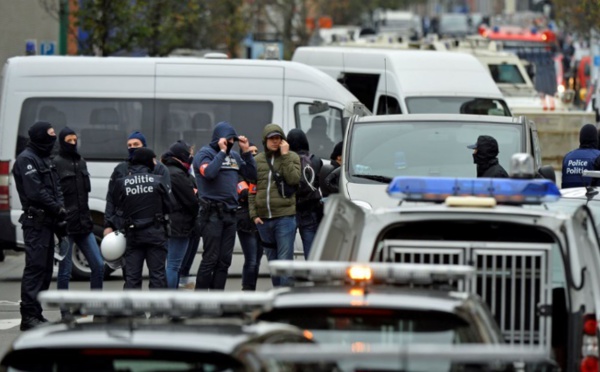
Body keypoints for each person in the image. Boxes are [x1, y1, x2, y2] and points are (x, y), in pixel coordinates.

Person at [12, 121, 65, 330]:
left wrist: (60, 210)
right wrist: (57, 208)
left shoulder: (45, 157)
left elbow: (55, 187)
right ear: (40, 137)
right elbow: (35, 192)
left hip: (48, 222)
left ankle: (37, 314)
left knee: (44, 270)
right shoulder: (27, 159)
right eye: (50, 136)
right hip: (36, 223)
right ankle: (28, 317)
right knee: (35, 269)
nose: (53, 140)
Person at [192, 121, 256, 290]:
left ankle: (216, 300)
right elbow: (210, 173)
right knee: (210, 259)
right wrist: (221, 152)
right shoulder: (204, 154)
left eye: (232, 141)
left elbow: (252, 175)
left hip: (230, 214)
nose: (230, 144)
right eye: (227, 140)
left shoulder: (234, 156)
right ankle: (198, 301)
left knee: (224, 260)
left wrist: (246, 152)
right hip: (211, 213)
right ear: (218, 139)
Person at [53, 127, 104, 319]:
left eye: (75, 139)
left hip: (84, 224)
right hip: (66, 227)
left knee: (98, 266)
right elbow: (55, 195)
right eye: (69, 139)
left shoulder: (81, 162)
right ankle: (65, 311)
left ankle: (96, 307)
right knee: (65, 271)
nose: (73, 142)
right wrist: (60, 219)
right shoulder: (56, 163)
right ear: (62, 141)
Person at [111, 148, 172, 289]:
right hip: (156, 234)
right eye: (153, 159)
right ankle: (157, 311)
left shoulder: (122, 182)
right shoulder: (158, 181)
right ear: (146, 161)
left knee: (132, 277)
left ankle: (133, 311)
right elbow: (170, 205)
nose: (155, 162)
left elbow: (116, 205)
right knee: (157, 276)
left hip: (133, 235)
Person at [249, 124, 301, 287]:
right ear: (265, 140)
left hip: (285, 218)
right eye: (272, 138)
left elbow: (294, 180)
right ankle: (278, 294)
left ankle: (285, 300)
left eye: (278, 138)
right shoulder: (256, 160)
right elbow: (252, 189)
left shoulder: (292, 157)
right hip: (264, 220)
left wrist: (285, 156)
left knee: (285, 261)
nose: (275, 141)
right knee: (272, 262)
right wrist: (254, 214)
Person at [104, 131, 170, 237]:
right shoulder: (120, 169)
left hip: (153, 226)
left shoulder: (159, 168)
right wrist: (108, 225)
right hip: (126, 225)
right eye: (129, 145)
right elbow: (111, 198)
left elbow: (167, 199)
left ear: (144, 146)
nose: (132, 148)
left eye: (136, 145)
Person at [161, 140, 198, 289]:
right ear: (182, 155)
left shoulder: (165, 170)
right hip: (179, 224)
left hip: (169, 223)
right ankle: (171, 299)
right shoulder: (178, 174)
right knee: (174, 265)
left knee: (170, 264)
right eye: (189, 154)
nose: (191, 157)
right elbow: (191, 202)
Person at [287, 128, 323, 258]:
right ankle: (311, 276)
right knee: (311, 251)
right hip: (310, 209)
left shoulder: (287, 160)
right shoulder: (315, 160)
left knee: (286, 249)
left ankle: (287, 277)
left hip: (290, 209)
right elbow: (318, 183)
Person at [236, 143, 264, 291]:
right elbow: (244, 193)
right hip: (245, 222)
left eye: (256, 151)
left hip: (260, 220)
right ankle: (247, 290)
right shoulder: (239, 172)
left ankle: (251, 290)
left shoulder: (262, 172)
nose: (254, 155)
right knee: (251, 260)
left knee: (258, 260)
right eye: (250, 152)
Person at [562, 124, 600, 188]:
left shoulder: (567, 158)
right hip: (592, 197)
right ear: (596, 139)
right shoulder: (598, 156)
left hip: (568, 197)